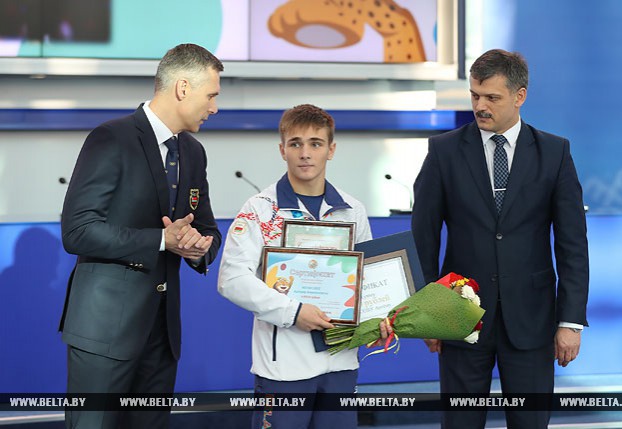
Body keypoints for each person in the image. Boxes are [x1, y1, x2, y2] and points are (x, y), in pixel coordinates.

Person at [411, 49, 589, 429]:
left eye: (492, 97)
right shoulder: (442, 152)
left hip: (532, 322)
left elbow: (572, 244)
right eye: (475, 95)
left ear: (519, 96)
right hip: (458, 318)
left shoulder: (555, 153)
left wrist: (570, 321)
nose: (480, 106)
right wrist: (427, 314)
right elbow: (422, 237)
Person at [59, 43, 224, 429]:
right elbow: (78, 230)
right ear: (183, 87)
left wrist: (200, 248)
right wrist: (161, 241)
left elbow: (207, 228)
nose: (214, 107)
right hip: (104, 332)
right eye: (211, 95)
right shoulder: (111, 138)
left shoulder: (194, 153)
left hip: (161, 337)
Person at [218, 104, 388, 429]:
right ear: (282, 150)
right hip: (284, 368)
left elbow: (366, 281)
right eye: (295, 143)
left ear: (331, 150)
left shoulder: (353, 210)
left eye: (315, 143)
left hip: (340, 363)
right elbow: (231, 279)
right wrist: (294, 312)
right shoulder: (260, 210)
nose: (305, 153)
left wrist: (377, 320)